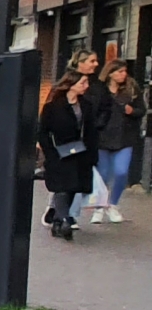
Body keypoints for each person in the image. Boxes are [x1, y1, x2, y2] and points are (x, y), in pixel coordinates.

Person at [38, 69, 95, 240]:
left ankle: (57, 219)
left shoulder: (86, 106)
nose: (86, 86)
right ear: (71, 85)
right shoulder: (53, 107)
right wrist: (50, 152)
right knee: (62, 187)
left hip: (80, 153)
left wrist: (92, 153)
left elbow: (92, 131)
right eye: (82, 83)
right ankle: (64, 220)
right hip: (60, 153)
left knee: (73, 188)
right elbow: (42, 132)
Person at [87, 61, 141, 224]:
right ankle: (99, 208)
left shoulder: (131, 89)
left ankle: (113, 204)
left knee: (121, 172)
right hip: (102, 138)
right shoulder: (99, 90)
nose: (123, 74)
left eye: (124, 71)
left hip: (124, 138)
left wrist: (133, 111)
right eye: (119, 72)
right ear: (110, 73)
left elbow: (142, 109)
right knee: (102, 174)